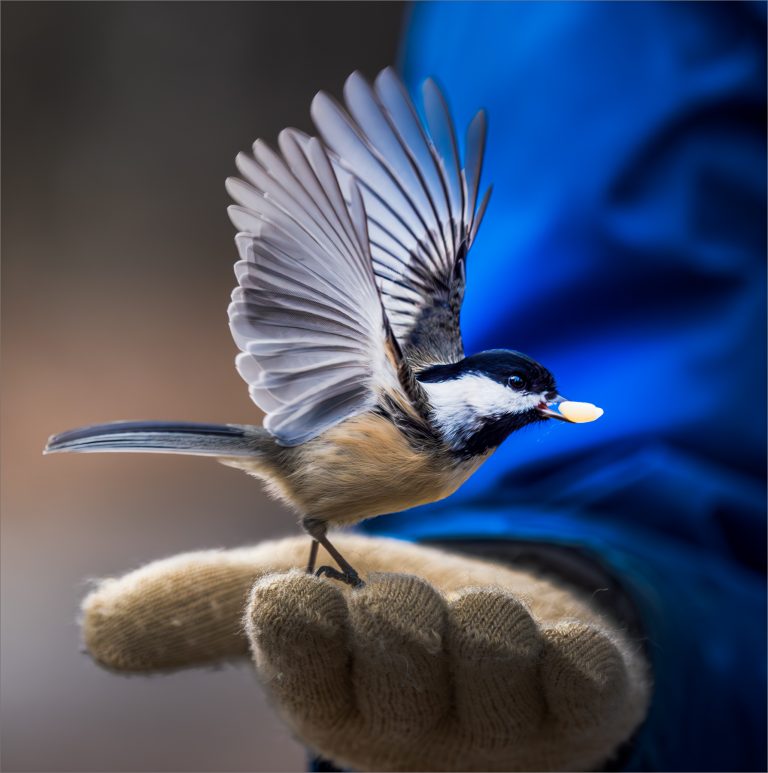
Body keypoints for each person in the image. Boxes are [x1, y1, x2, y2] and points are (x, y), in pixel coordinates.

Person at [79, 2, 767, 770]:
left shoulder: (453, 416)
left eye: (541, 396)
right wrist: (569, 566)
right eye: (524, 388)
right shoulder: (400, 388)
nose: (538, 405)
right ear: (477, 384)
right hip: (320, 461)